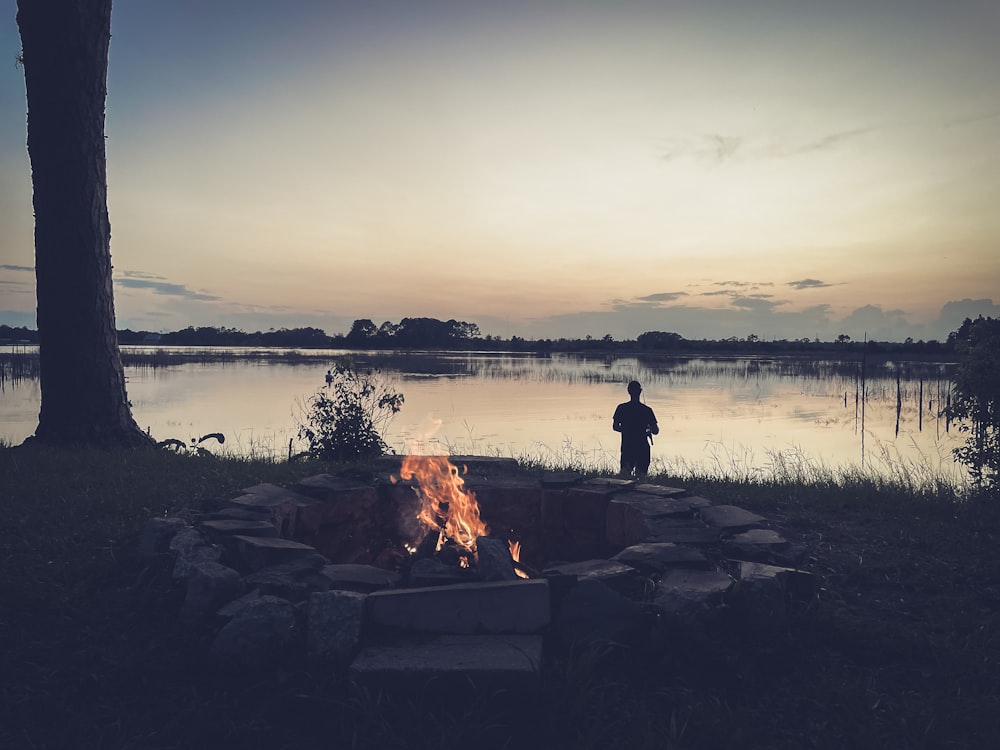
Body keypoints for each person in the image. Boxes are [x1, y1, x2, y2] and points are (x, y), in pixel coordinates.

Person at [613, 380, 659, 479]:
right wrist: (648, 430)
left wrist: (626, 430)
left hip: (627, 447)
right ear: (640, 391)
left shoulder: (621, 408)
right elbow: (656, 431)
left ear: (628, 391)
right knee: (642, 477)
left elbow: (615, 427)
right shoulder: (647, 410)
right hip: (642, 448)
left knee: (624, 477)